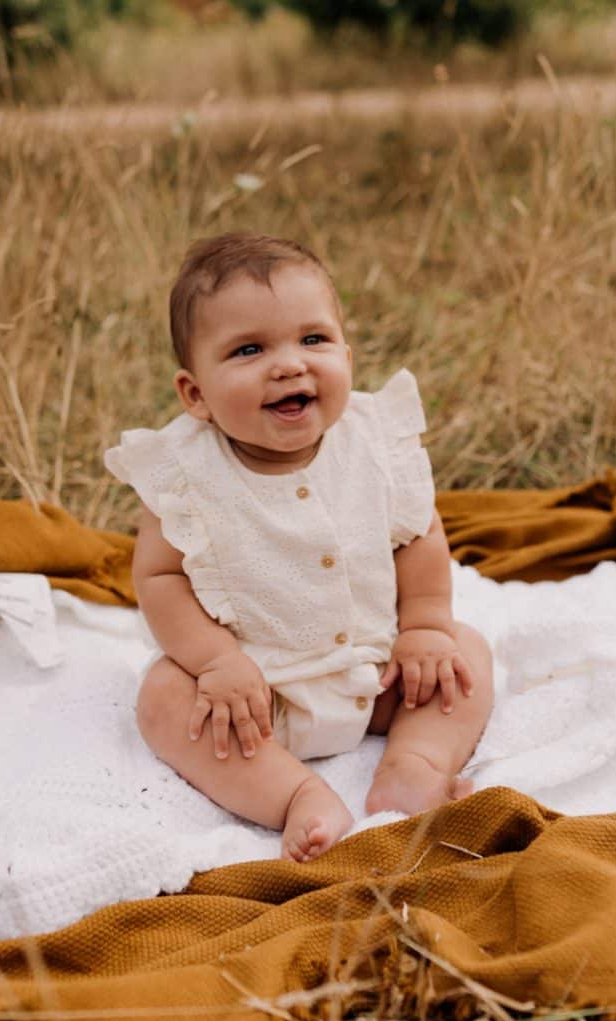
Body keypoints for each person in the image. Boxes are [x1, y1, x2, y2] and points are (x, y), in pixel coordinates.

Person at [105, 233, 494, 862]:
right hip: (254, 699)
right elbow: (159, 580)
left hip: (377, 674)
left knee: (464, 652)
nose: (289, 364)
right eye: (249, 349)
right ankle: (295, 794)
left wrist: (424, 626)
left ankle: (415, 764)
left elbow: (418, 531)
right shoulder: (184, 475)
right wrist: (214, 663)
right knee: (162, 702)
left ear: (346, 351)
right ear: (195, 394)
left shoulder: (374, 440)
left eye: (313, 340)